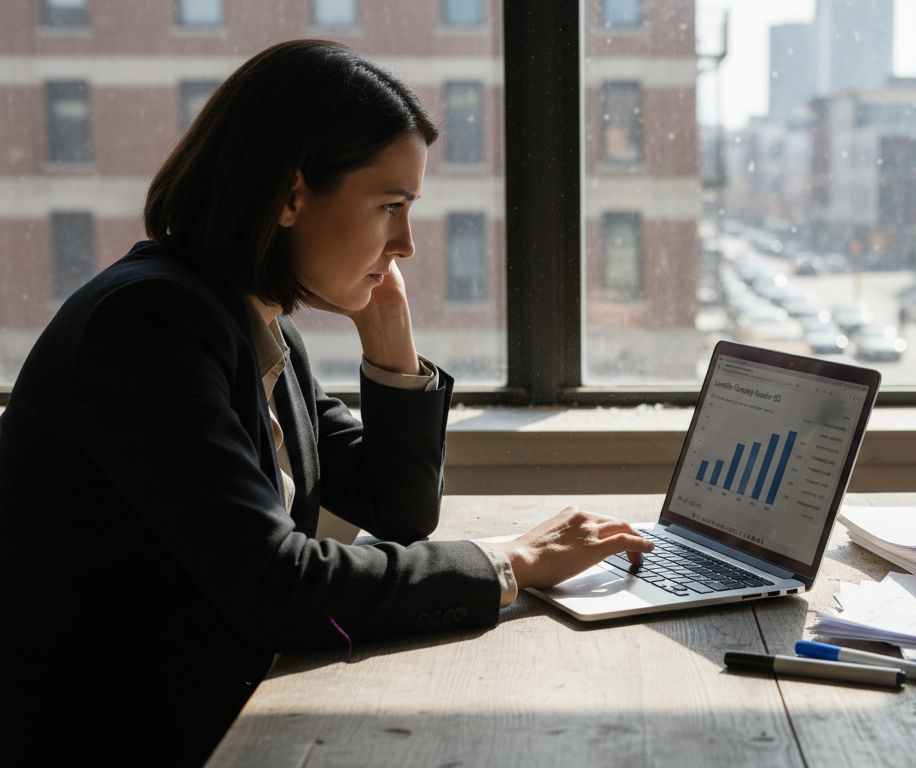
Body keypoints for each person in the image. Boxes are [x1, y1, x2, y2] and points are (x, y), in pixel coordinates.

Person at [0, 39, 652, 765]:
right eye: (389, 206)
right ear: (290, 195)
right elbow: (278, 584)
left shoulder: (250, 319)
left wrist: (389, 336)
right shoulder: (151, 326)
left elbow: (398, 510)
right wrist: (509, 562)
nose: (405, 243)